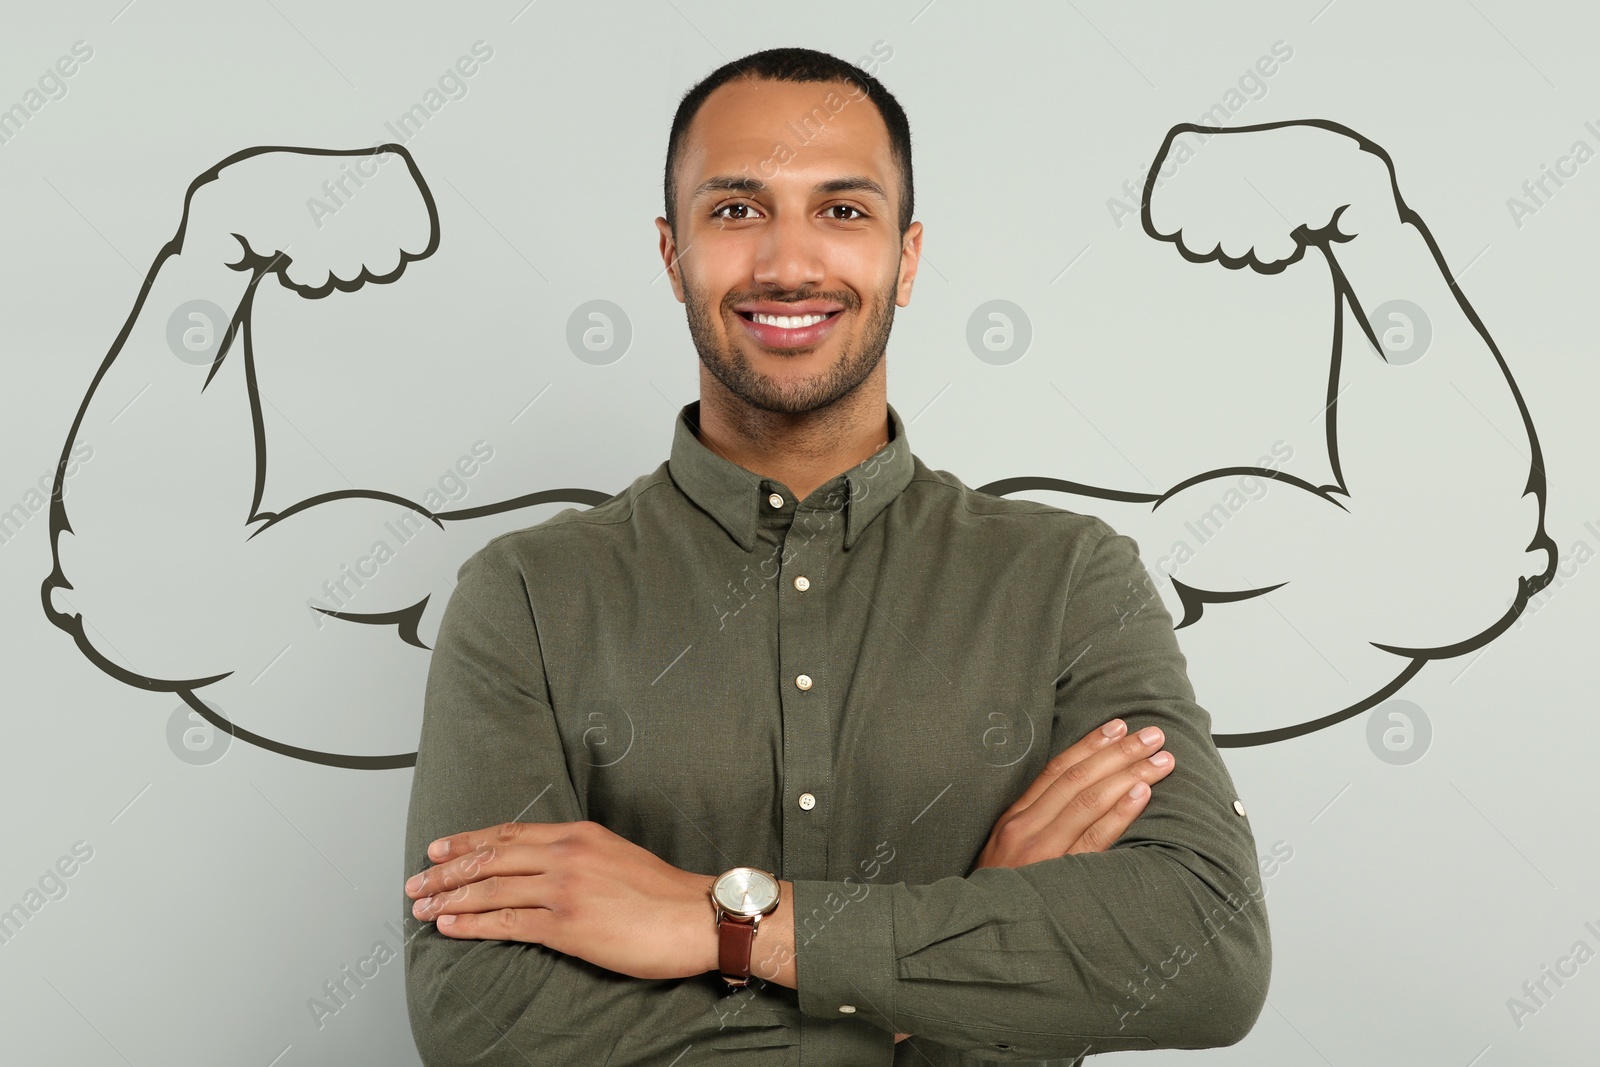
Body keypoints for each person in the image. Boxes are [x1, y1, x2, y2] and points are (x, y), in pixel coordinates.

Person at [401, 47, 1269, 1066]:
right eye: (735, 210)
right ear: (672, 253)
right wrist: (954, 967)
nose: (787, 264)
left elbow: (1205, 951)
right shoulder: (527, 595)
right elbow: (482, 1015)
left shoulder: (1071, 578)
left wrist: (722, 920)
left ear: (905, 259)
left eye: (842, 211)